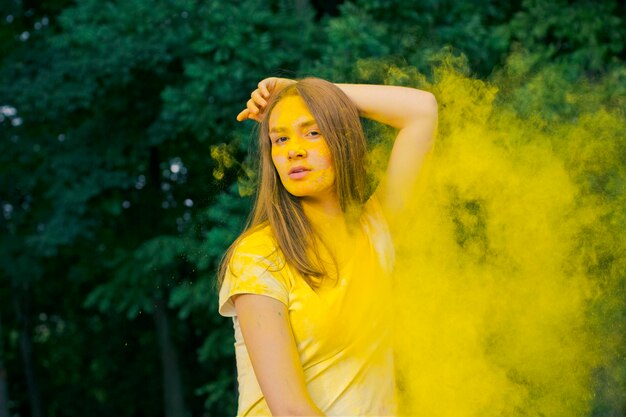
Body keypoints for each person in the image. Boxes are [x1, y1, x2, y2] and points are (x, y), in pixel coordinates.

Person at [217, 76, 437, 416]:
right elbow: (289, 409)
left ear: (344, 141)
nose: (294, 150)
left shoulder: (376, 230)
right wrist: (305, 101)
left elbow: (422, 111)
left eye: (313, 132)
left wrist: (301, 92)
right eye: (280, 139)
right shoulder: (257, 257)